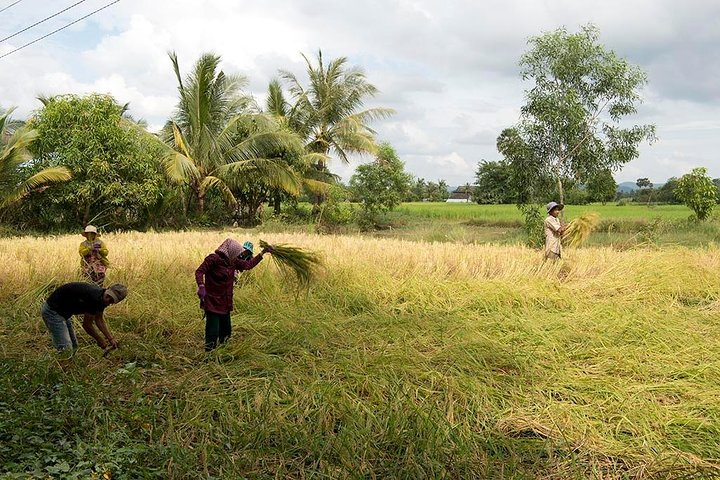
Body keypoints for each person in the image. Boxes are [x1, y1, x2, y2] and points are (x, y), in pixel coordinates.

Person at [195, 239, 272, 351]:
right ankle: (209, 355)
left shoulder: (232, 262)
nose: (239, 256)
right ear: (230, 252)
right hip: (212, 301)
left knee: (226, 331)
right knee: (213, 330)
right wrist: (201, 285)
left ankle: (222, 351)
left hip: (225, 301)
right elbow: (199, 271)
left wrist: (262, 253)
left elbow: (248, 265)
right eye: (237, 253)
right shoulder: (213, 259)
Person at [41, 282, 128, 352]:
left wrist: (110, 338)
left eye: (111, 300)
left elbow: (99, 319)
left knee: (74, 346)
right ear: (107, 289)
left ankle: (69, 368)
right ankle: (61, 370)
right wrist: (99, 339)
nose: (107, 300)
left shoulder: (102, 299)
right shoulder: (94, 297)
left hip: (63, 313)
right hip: (53, 311)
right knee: (65, 349)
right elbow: (87, 325)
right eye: (108, 296)